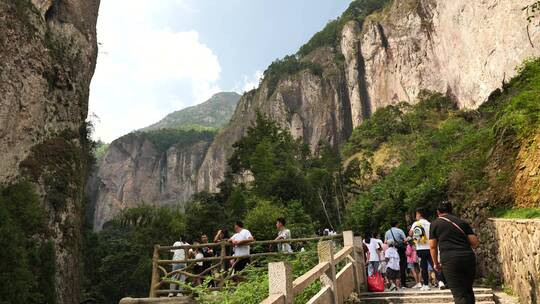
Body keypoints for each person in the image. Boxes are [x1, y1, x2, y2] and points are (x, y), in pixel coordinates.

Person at [430, 201, 478, 304]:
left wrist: (436, 263)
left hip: (449, 260)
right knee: (468, 290)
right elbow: (474, 242)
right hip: (468, 258)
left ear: (438, 212)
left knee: (459, 293)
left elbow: (433, 246)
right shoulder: (462, 222)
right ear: (451, 210)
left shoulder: (435, 224)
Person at [409, 207, 436, 291]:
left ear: (419, 214)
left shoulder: (416, 223)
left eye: (416, 214)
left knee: (423, 267)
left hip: (421, 248)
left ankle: (426, 284)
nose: (416, 216)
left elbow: (410, 233)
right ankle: (441, 281)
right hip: (430, 247)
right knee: (434, 265)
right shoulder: (430, 223)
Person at [385, 219, 407, 287]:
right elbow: (405, 240)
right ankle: (403, 283)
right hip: (400, 250)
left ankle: (393, 284)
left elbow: (385, 242)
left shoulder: (387, 232)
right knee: (402, 266)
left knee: (392, 266)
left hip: (391, 250)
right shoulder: (400, 231)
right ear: (397, 224)